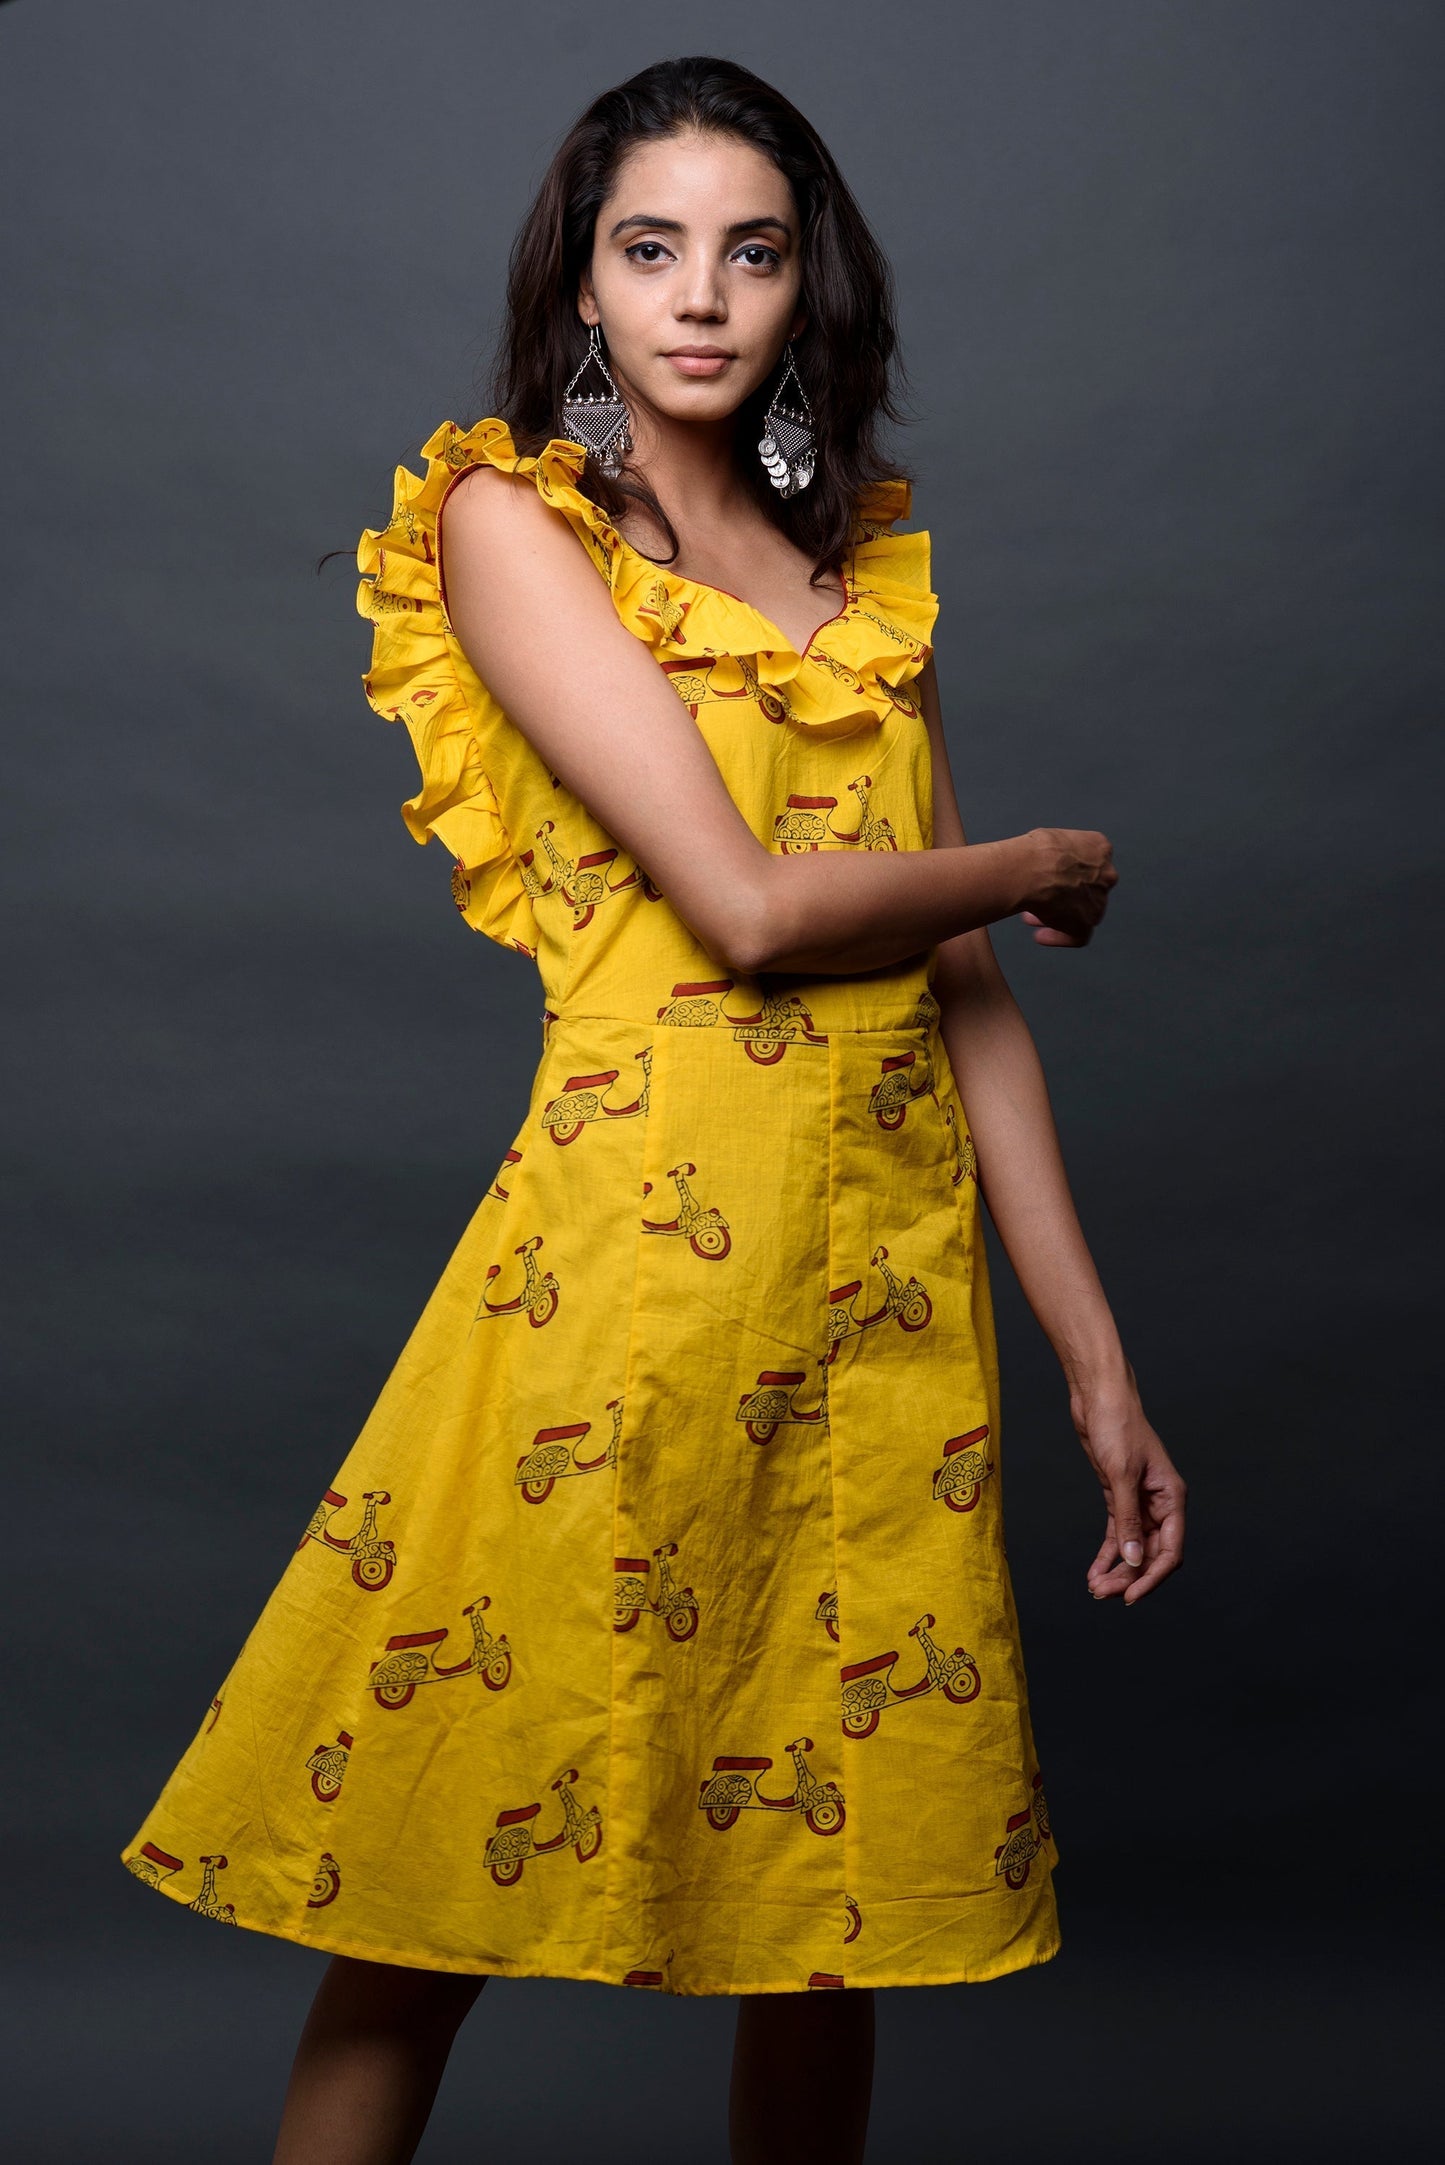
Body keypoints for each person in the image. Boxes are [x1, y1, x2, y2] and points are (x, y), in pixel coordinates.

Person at [120, 55, 1186, 2165]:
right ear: (584, 285)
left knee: (830, 1911)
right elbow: (752, 908)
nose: (700, 296)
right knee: (433, 1883)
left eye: (750, 252)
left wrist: (1092, 1355)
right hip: (630, 1296)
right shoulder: (514, 527)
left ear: (807, 287)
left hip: (882, 1312)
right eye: (651, 247)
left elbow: (964, 998)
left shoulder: (855, 577)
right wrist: (1040, 858)